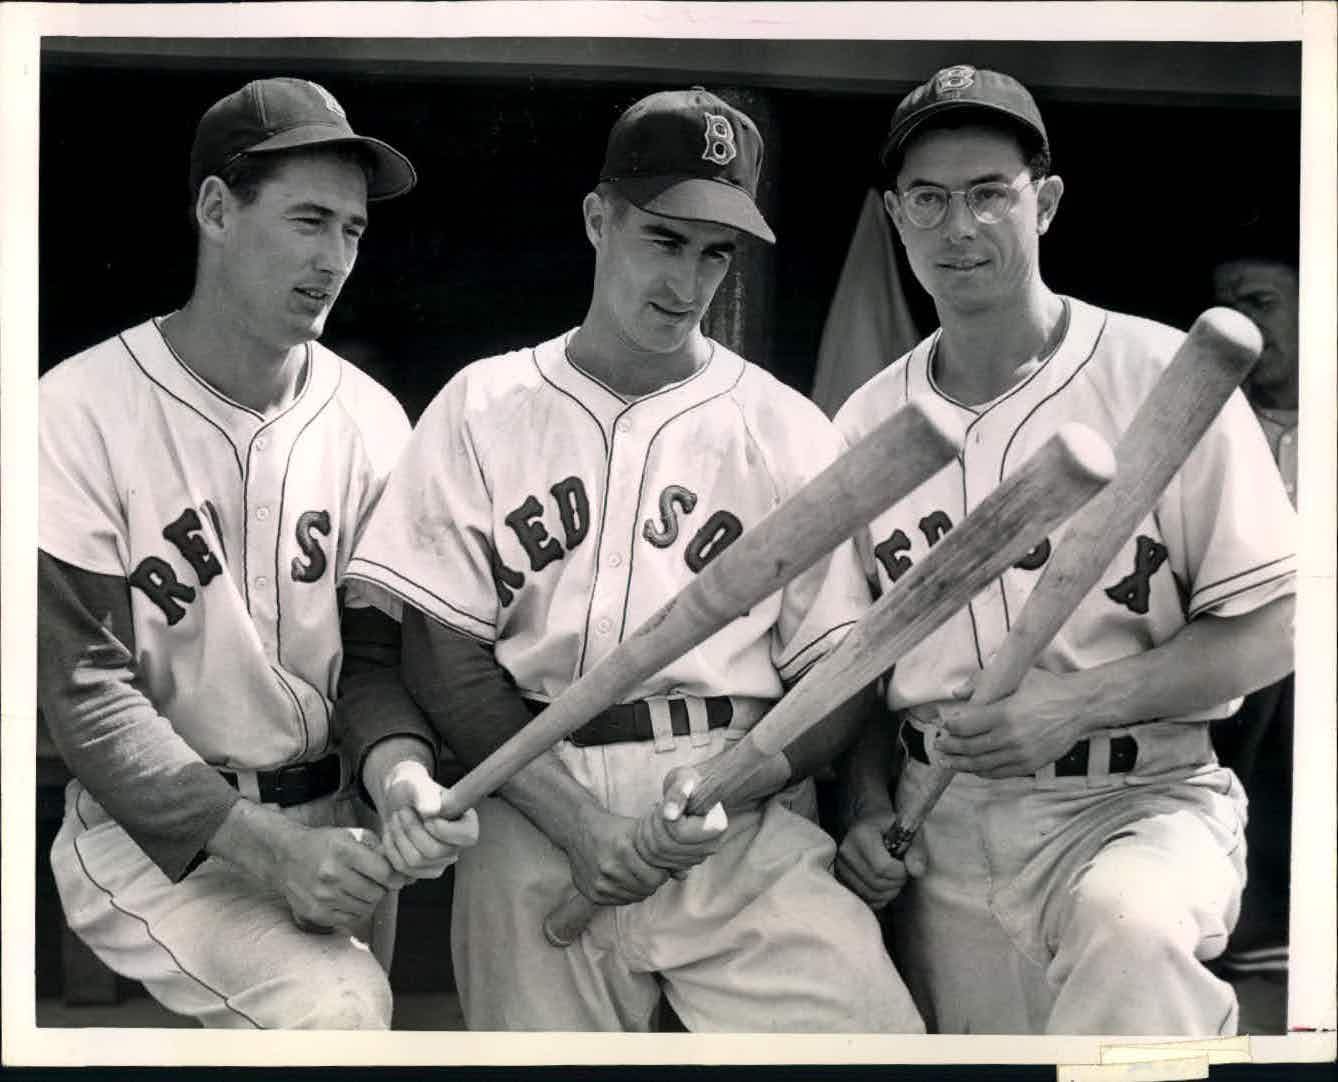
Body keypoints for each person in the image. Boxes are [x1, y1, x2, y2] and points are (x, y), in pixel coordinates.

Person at [345, 87, 923, 1033]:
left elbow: (837, 673)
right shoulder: (484, 405)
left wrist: (737, 778)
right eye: (664, 239)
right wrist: (578, 824)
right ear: (596, 219)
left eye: (714, 254)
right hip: (530, 789)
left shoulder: (783, 427)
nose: (688, 283)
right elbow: (439, 655)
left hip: (727, 803)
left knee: (875, 1043)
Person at [832, 65, 1296, 1035]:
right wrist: (865, 803)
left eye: (988, 193)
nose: (958, 227)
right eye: (929, 198)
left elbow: (1274, 628)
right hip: (940, 819)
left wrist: (1078, 701)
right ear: (894, 215)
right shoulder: (867, 420)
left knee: (1130, 933)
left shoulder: (1165, 371)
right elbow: (859, 673)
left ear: (1042, 201)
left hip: (1139, 796)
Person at [38, 77, 477, 1030]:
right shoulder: (72, 410)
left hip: (336, 814)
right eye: (308, 221)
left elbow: (372, 657)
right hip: (155, 833)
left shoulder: (368, 418)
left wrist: (402, 778)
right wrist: (269, 851)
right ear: (214, 209)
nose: (334, 259)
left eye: (353, 232)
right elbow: (85, 691)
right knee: (336, 1010)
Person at [1208, 249, 1299, 978]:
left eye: (1260, 302)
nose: (1243, 324)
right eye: (1227, 305)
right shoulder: (1215, 423)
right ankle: (1251, 912)